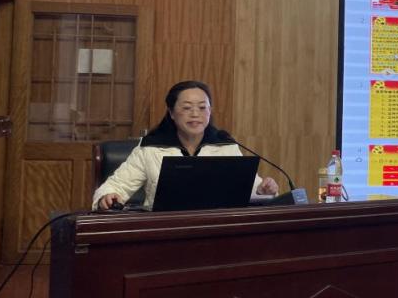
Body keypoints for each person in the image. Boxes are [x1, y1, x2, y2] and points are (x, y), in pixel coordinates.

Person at [92, 80, 279, 210]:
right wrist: (107, 197)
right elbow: (115, 187)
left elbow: (249, 189)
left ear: (210, 111)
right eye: (187, 108)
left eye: (202, 107)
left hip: (217, 229)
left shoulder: (225, 145)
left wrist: (262, 189)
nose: (195, 114)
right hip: (163, 231)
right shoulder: (151, 147)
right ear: (172, 113)